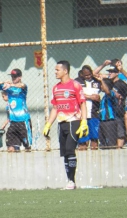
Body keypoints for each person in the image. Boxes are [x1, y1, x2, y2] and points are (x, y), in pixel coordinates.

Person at [43, 60, 88, 190]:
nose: (55, 72)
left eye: (57, 70)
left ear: (65, 71)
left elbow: (82, 103)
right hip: (61, 123)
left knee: (70, 149)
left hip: (74, 121)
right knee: (65, 153)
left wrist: (84, 121)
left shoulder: (75, 85)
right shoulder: (56, 88)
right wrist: (48, 124)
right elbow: (55, 108)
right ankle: (69, 180)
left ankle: (72, 181)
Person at [94, 59, 127, 148]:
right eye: (109, 72)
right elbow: (94, 74)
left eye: (112, 72)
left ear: (117, 72)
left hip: (120, 109)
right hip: (113, 111)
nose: (110, 73)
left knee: (120, 130)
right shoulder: (109, 80)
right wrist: (103, 65)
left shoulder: (122, 81)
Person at [0, 68, 32, 152]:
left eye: (15, 76)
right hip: (13, 122)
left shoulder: (22, 88)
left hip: (23, 121)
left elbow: (23, 85)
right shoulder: (7, 87)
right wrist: (3, 82)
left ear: (20, 77)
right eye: (12, 76)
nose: (13, 78)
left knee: (27, 147)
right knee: (11, 148)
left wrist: (11, 85)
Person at [75, 65, 101, 150]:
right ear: (82, 74)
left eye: (90, 74)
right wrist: (90, 97)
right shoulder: (77, 82)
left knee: (94, 140)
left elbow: (106, 90)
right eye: (86, 75)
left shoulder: (97, 81)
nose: (88, 76)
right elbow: (77, 95)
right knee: (82, 141)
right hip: (82, 116)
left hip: (94, 114)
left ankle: (94, 160)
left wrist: (102, 81)